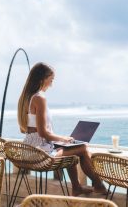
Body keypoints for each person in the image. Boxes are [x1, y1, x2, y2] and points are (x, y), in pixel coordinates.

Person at [17, 62, 107, 196]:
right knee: (83, 148)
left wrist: (60, 140)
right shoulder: (40, 98)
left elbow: (29, 130)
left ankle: (77, 187)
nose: (52, 84)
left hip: (29, 148)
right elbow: (43, 133)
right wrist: (63, 138)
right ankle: (99, 185)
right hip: (41, 152)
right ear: (43, 79)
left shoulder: (26, 97)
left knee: (70, 150)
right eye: (51, 80)